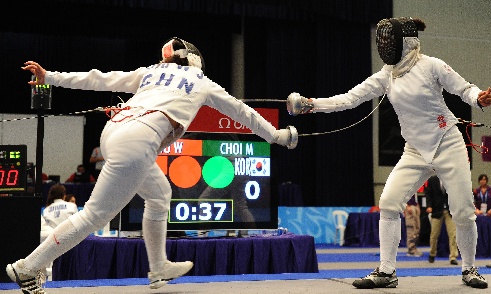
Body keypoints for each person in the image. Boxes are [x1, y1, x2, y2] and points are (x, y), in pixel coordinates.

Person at [8, 37, 297, 293]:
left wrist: (50, 76)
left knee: (159, 195)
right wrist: (277, 136)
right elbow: (243, 112)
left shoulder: (152, 72)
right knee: (94, 216)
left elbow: (100, 79)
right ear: (196, 61)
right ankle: (28, 267)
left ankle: (158, 267)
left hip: (114, 131)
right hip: (138, 141)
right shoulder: (202, 82)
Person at [287, 17, 491, 289]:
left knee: (463, 212)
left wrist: (478, 97)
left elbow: (463, 88)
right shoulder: (386, 75)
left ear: (405, 43)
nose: (384, 46)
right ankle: (386, 271)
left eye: (389, 41)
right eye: (382, 41)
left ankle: (469, 269)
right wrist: (312, 105)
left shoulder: (431, 65)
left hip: (448, 143)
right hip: (415, 151)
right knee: (388, 202)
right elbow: (349, 99)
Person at [40, 184, 78, 281]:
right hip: (71, 242)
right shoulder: (72, 206)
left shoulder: (46, 210)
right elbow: (78, 224)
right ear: (64, 195)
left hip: (54, 243)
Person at [425, 175, 459, 265]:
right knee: (434, 234)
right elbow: (428, 193)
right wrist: (429, 206)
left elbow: (456, 193)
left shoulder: (451, 178)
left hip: (450, 210)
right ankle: (432, 253)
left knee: (453, 234)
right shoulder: (432, 180)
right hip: (436, 210)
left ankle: (453, 256)